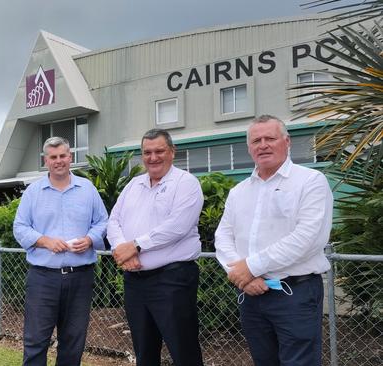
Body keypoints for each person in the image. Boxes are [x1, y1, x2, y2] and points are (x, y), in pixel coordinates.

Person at [215, 115, 333, 366]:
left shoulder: (310, 182)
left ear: (286, 141)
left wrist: (251, 267)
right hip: (251, 295)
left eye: (270, 138)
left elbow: (307, 238)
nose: (263, 145)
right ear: (249, 147)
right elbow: (223, 236)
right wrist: (242, 275)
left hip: (295, 295)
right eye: (256, 140)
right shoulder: (239, 191)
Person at [107, 128, 204, 366]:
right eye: (147, 152)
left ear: (172, 152)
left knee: (184, 351)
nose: (153, 157)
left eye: (159, 151)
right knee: (144, 352)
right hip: (135, 281)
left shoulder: (186, 183)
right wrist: (123, 248)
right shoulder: (133, 185)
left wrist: (137, 246)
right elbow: (114, 220)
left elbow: (178, 226)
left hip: (172, 280)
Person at [13, 136, 108, 366]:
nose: (58, 161)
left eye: (63, 156)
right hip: (43, 278)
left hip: (80, 277)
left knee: (73, 342)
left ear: (70, 157)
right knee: (36, 341)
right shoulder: (33, 192)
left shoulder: (87, 189)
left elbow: (103, 222)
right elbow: (19, 227)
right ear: (46, 160)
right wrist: (44, 241)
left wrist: (90, 239)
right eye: (53, 157)